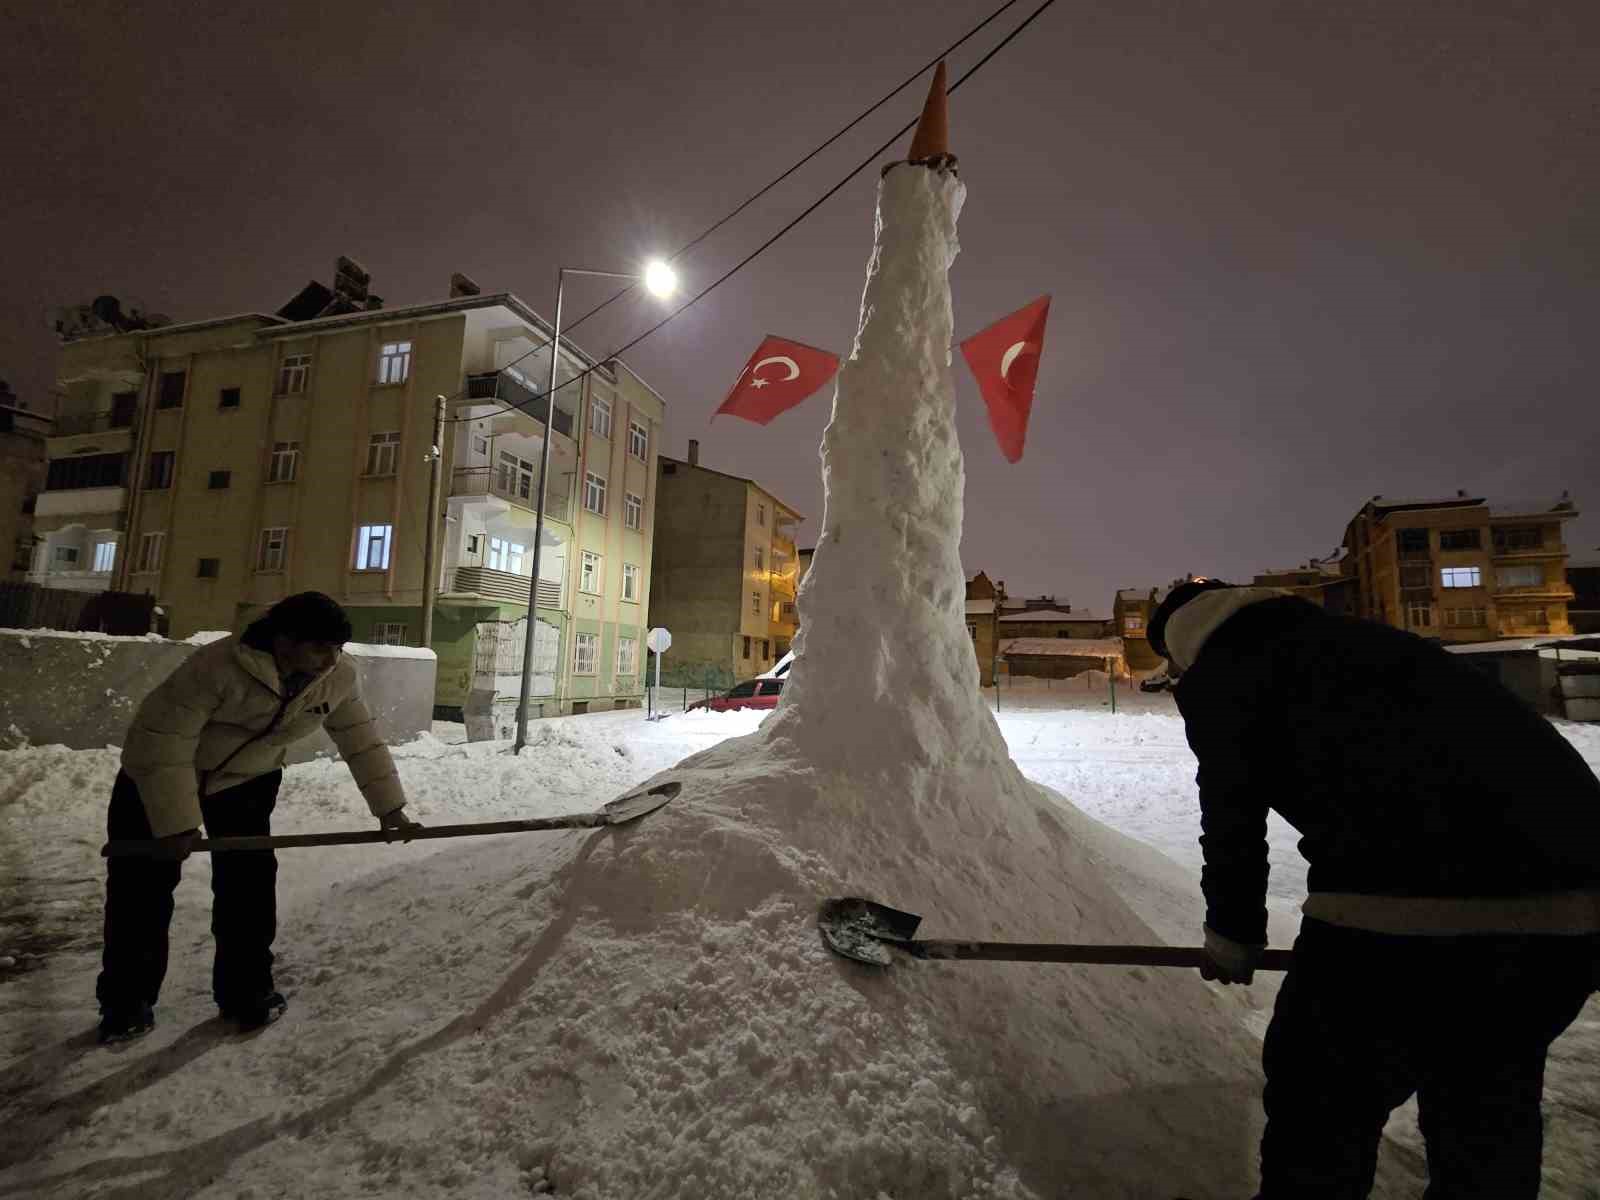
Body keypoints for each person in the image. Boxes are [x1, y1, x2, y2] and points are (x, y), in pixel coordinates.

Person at [1148, 579, 1600, 1200]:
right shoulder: (1374, 642)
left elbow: (1232, 818)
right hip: (1562, 924)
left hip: (1390, 924)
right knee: (1485, 1119)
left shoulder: (1224, 672)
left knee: (1320, 1117)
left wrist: (1232, 936)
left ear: (1181, 643)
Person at [96, 592, 422, 1044]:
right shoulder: (217, 667)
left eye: (337, 648)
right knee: (141, 890)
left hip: (245, 781)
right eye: (320, 647)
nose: (331, 659)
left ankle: (245, 990)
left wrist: (390, 808)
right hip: (154, 778)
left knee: (247, 886)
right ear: (284, 640)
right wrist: (176, 824)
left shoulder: (337, 677)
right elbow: (162, 740)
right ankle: (126, 1001)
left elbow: (360, 739)